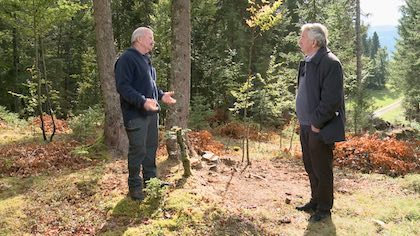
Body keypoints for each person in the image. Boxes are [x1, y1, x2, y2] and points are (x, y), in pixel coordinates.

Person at [115, 27, 176, 201]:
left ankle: (151, 182)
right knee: (138, 150)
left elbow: (150, 86)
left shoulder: (145, 60)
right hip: (135, 115)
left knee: (150, 148)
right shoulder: (126, 59)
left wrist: (161, 95)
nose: (153, 41)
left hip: (151, 114)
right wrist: (143, 101)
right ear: (139, 39)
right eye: (150, 38)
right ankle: (135, 187)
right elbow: (123, 87)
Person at [295, 23, 346, 221]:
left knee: (322, 168)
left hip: (319, 127)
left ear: (315, 41)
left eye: (303, 38)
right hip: (306, 125)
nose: (300, 41)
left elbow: (331, 100)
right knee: (310, 165)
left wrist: (316, 124)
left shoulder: (330, 63)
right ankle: (315, 201)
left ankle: (324, 209)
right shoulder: (308, 61)